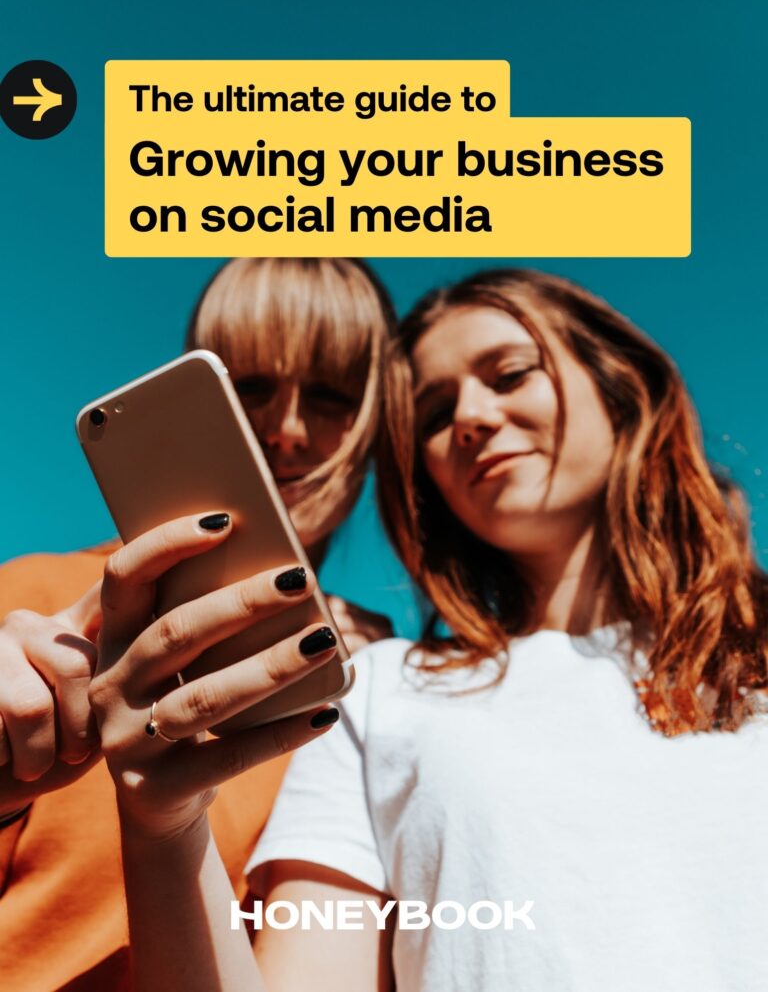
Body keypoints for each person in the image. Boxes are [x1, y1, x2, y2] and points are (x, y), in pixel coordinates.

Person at [85, 267, 768, 992]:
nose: (470, 416)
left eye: (508, 374)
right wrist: (164, 827)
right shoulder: (378, 692)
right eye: (436, 414)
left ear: (623, 389)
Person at [0, 257, 396, 992]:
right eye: (249, 387)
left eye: (333, 396)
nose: (287, 429)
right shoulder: (34, 606)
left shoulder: (391, 678)